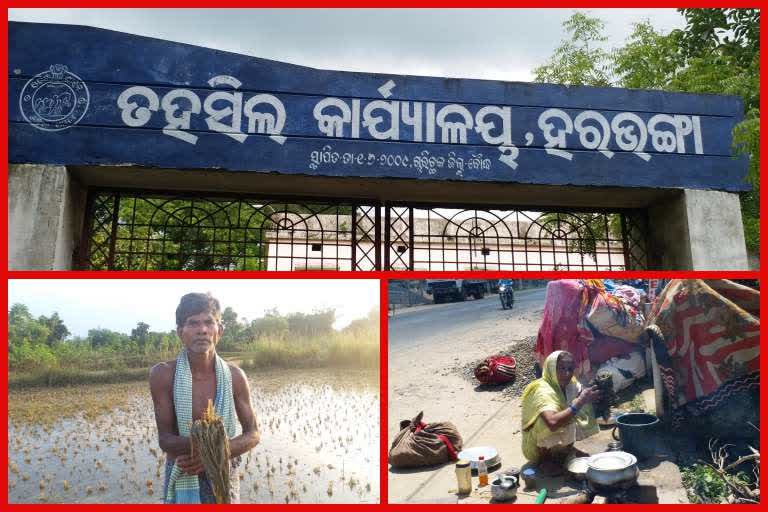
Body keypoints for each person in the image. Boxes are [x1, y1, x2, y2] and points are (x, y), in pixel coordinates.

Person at [150, 292, 260, 503]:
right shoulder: (163, 375)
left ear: (220, 330)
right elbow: (165, 439)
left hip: (223, 470)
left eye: (209, 322)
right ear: (180, 332)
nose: (202, 330)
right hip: (184, 469)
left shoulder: (235, 376)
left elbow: (253, 433)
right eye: (193, 323)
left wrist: (213, 455)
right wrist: (203, 453)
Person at [521, 350, 600, 474]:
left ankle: (567, 449)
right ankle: (545, 460)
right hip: (534, 447)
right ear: (551, 368)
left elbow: (583, 392)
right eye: (561, 368)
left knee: (580, 408)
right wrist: (579, 402)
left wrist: (594, 394)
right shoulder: (542, 390)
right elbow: (552, 423)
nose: (567, 373)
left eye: (570, 368)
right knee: (549, 420)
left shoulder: (571, 384)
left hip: (556, 432)